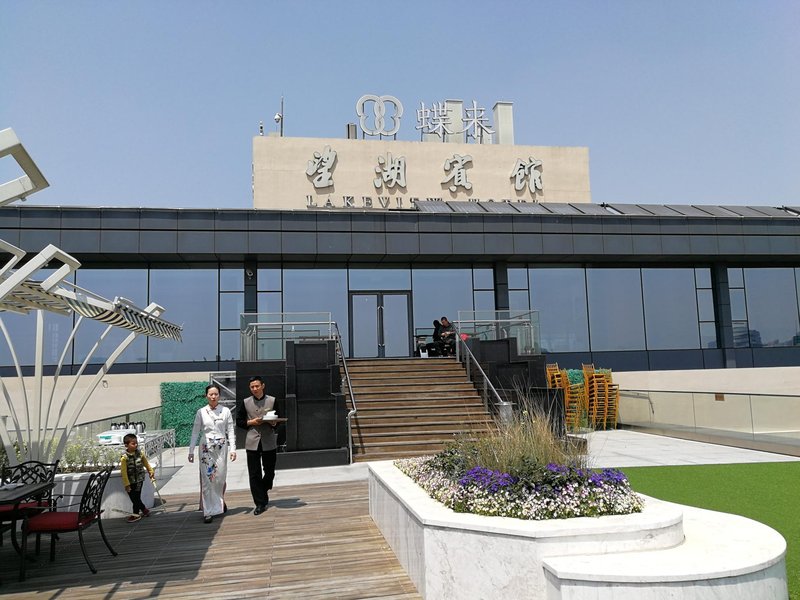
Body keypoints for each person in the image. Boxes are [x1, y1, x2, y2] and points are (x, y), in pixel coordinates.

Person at [188, 384, 237, 523]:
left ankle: (219, 503)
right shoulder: (201, 412)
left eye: (216, 394)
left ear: (219, 396)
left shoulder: (225, 411)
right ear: (206, 396)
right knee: (207, 478)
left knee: (220, 477)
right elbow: (195, 432)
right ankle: (208, 511)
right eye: (210, 394)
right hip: (206, 448)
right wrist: (191, 450)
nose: (213, 396)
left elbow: (230, 430)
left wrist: (233, 449)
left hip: (221, 448)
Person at [236, 375, 279, 515]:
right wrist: (251, 422)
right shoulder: (245, 402)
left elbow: (279, 418)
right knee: (254, 474)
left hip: (268, 440)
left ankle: (263, 489)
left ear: (263, 386)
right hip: (252, 441)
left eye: (257, 386)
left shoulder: (272, 400)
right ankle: (260, 503)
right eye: (252, 387)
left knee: (270, 471)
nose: (255, 389)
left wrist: (274, 423)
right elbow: (239, 421)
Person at [120, 433, 155, 523]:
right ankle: (144, 510)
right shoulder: (124, 457)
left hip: (139, 480)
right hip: (130, 481)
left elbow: (146, 464)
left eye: (136, 443)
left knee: (136, 497)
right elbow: (123, 472)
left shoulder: (140, 454)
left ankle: (135, 514)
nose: (135, 445)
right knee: (134, 498)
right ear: (126, 445)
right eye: (133, 443)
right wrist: (127, 484)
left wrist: (151, 471)